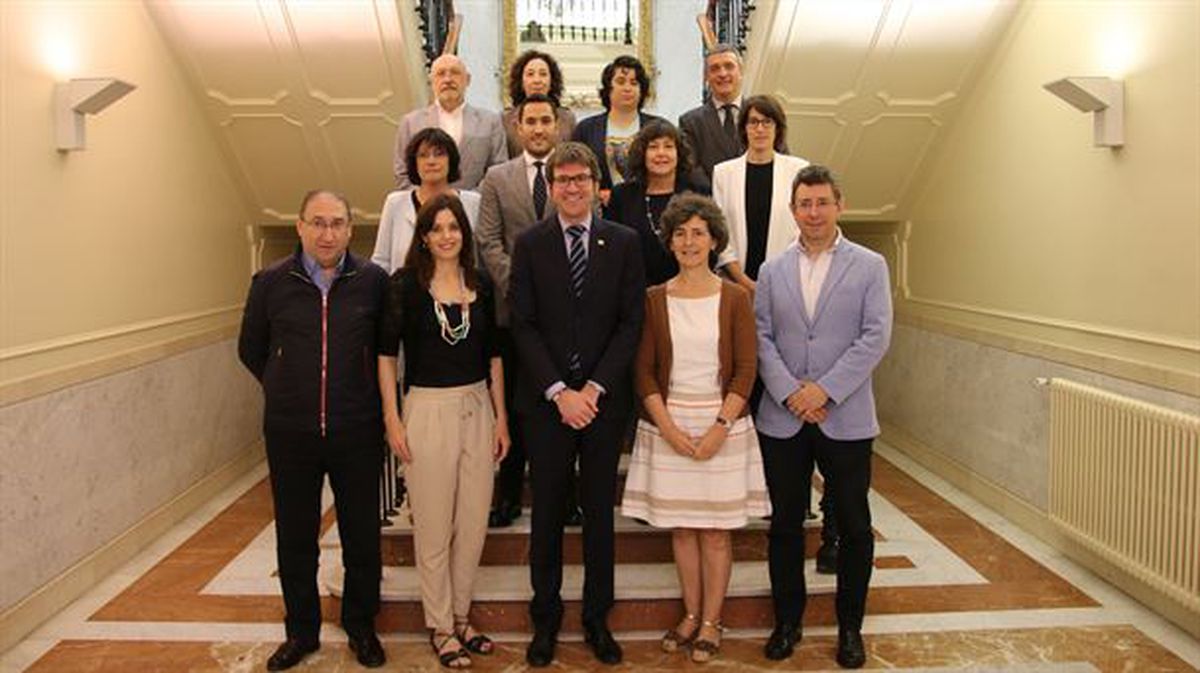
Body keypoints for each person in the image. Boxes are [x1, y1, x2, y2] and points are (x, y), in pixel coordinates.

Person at [237, 190, 388, 671]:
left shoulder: (373, 282)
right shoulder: (270, 282)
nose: (328, 233)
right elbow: (250, 348)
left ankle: (361, 626)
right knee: (295, 536)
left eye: (337, 223)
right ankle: (301, 632)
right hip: (290, 433)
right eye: (318, 223)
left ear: (350, 229)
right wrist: (285, 387)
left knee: (362, 534)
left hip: (357, 430)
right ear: (300, 226)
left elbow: (386, 351)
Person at [509, 142, 645, 667]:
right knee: (545, 515)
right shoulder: (530, 243)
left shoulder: (624, 242)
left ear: (594, 183)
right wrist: (559, 392)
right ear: (553, 187)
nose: (570, 187)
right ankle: (545, 620)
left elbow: (630, 323)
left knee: (598, 518)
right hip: (545, 406)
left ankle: (596, 618)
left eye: (580, 178)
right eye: (562, 179)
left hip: (602, 404)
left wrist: (592, 390)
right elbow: (523, 323)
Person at [755, 165, 892, 669]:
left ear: (839, 206)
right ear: (793, 211)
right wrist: (792, 392)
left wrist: (825, 391)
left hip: (846, 417)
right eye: (804, 204)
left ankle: (850, 628)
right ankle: (787, 622)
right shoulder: (772, 271)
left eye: (822, 203)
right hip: (784, 418)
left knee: (854, 526)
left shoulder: (870, 265)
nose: (813, 213)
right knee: (786, 526)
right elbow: (761, 336)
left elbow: (874, 336)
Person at [621, 194, 767, 663]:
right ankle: (689, 612)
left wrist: (720, 427)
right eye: (680, 233)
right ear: (669, 241)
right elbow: (642, 371)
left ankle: (711, 620)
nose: (688, 241)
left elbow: (747, 367)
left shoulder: (736, 298)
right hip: (670, 423)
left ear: (714, 240)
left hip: (723, 423)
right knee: (682, 529)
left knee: (717, 532)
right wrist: (667, 427)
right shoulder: (653, 299)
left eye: (698, 233)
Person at [377, 193, 510, 669]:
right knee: (433, 525)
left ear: (464, 235)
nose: (447, 235)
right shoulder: (405, 287)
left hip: (477, 406)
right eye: (438, 228)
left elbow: (494, 355)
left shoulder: (482, 284)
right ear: (425, 237)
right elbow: (386, 355)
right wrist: (392, 419)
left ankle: (462, 615)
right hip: (426, 409)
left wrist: (502, 419)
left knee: (472, 525)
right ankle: (440, 625)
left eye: (455, 227)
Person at [477, 94, 582, 529]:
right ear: (517, 128)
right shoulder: (496, 178)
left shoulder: (574, 178)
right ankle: (508, 496)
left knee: (565, 410)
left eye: (545, 121)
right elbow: (488, 241)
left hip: (566, 320)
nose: (538, 129)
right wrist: (520, 288)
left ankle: (566, 498)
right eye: (530, 121)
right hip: (510, 314)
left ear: (557, 126)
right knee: (519, 407)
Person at [712, 95, 809, 291]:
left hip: (786, 281)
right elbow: (720, 233)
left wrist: (772, 281)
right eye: (753, 122)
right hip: (735, 283)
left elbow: (802, 229)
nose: (760, 129)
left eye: (767, 122)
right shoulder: (723, 173)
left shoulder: (798, 170)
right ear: (744, 128)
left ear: (777, 128)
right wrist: (745, 283)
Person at [603, 119, 707, 286]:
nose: (661, 153)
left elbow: (710, 245)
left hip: (691, 288)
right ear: (642, 153)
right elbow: (611, 250)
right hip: (636, 292)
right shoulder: (622, 196)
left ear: (679, 153)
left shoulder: (699, 193)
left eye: (668, 146)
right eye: (653, 147)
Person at [374, 127, 482, 274]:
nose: (431, 161)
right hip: (403, 293)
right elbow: (381, 261)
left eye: (439, 154)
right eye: (423, 155)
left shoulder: (473, 203)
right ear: (414, 163)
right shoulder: (395, 203)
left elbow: (479, 260)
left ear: (451, 160)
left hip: (460, 292)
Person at [393, 54, 506, 189]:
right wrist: (426, 201)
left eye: (455, 73)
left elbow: (499, 170)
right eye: (441, 74)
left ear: (468, 80)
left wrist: (471, 200)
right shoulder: (410, 123)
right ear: (431, 81)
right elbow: (402, 173)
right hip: (425, 207)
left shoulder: (491, 122)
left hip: (476, 206)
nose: (448, 79)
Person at [572, 54, 665, 199]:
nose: (627, 88)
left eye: (634, 83)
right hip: (601, 209)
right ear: (608, 88)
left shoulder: (659, 127)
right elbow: (574, 171)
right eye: (621, 82)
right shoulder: (586, 129)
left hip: (647, 207)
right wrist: (596, 193)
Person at [679, 44, 745, 190]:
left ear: (741, 71)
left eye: (729, 66)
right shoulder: (690, 122)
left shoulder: (763, 115)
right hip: (710, 204)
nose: (722, 73)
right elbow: (691, 168)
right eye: (714, 69)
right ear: (707, 77)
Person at [502, 49, 577, 158]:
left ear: (551, 81)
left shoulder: (567, 119)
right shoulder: (505, 120)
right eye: (530, 74)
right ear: (521, 81)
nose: (537, 80)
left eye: (543, 74)